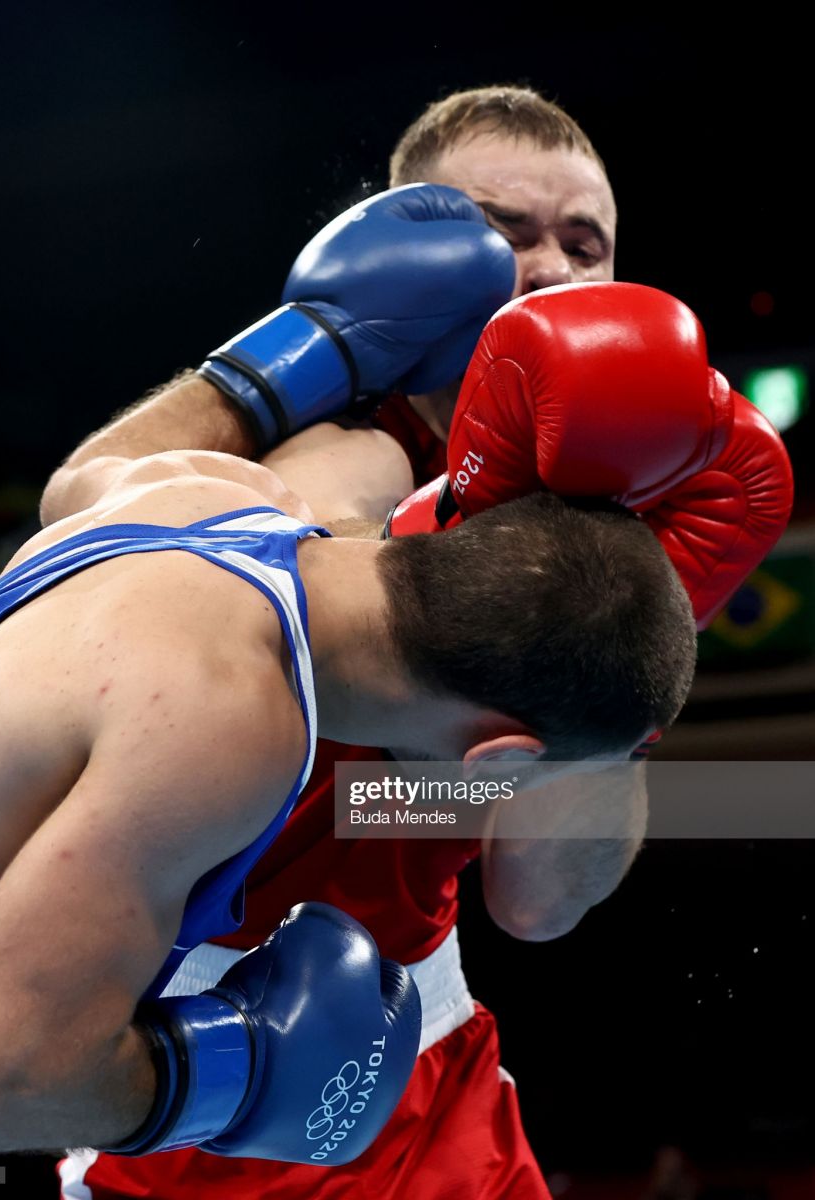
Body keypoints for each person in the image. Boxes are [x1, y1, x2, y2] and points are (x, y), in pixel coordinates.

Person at [57, 85, 792, 1200]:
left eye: (582, 243)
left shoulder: (609, 540)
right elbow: (81, 517)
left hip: (434, 1072)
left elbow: (537, 902)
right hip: (190, 1079)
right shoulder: (347, 452)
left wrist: (627, 667)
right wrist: (311, 350)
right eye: (504, 231)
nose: (549, 267)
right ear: (415, 252)